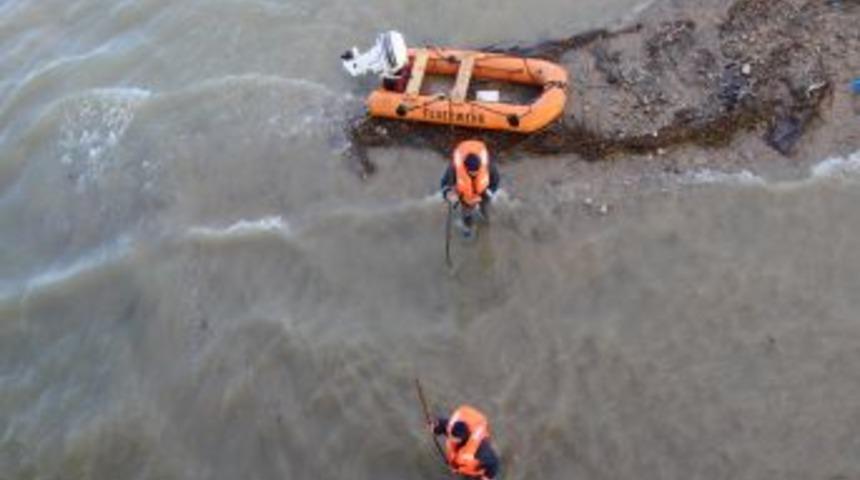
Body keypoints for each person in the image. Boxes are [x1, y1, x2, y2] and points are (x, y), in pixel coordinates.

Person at [440, 140, 501, 237]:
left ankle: (486, 221)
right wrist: (448, 194)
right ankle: (467, 228)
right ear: (465, 167)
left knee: (486, 211)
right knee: (466, 215)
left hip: (483, 194)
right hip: (465, 197)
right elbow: (444, 183)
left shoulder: (489, 166)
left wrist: (489, 192)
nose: (474, 174)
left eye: (477, 172)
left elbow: (496, 180)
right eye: (471, 172)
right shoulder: (453, 168)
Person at [429, 404, 500, 480]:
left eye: (455, 439)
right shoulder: (453, 429)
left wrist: (486, 478)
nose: (452, 440)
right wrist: (436, 427)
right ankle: (458, 467)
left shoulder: (480, 449)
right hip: (460, 464)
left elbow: (494, 463)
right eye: (452, 437)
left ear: (463, 438)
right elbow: (444, 425)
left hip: (476, 472)